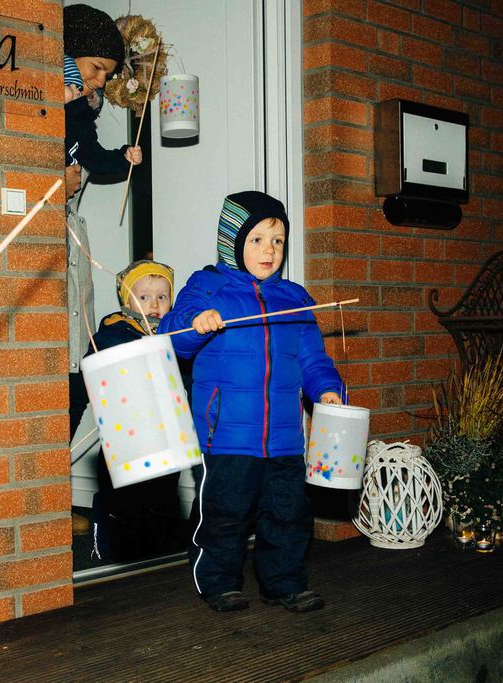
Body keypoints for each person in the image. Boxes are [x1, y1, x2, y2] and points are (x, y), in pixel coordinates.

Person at [157, 191, 343, 613]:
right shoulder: (208, 287)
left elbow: (313, 359)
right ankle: (218, 582)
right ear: (233, 241)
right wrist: (195, 324)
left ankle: (285, 582)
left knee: (287, 513)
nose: (269, 251)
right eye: (256, 240)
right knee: (225, 512)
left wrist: (327, 389)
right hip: (225, 434)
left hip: (284, 437)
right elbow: (172, 337)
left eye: (277, 241)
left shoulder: (294, 298)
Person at [70, 260, 184, 561]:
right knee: (120, 499)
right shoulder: (114, 332)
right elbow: (93, 369)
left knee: (162, 495)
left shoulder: (175, 334)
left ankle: (154, 551)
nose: (154, 304)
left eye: (162, 296)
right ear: (126, 301)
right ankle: (108, 546)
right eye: (143, 297)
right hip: (125, 437)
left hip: (162, 435)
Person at [63, 3, 143, 434]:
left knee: (78, 356)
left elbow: (91, 155)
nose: (99, 81)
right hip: (43, 235)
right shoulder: (46, 96)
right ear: (68, 53)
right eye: (96, 68)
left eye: (108, 74)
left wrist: (123, 157)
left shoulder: (80, 109)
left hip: (69, 237)